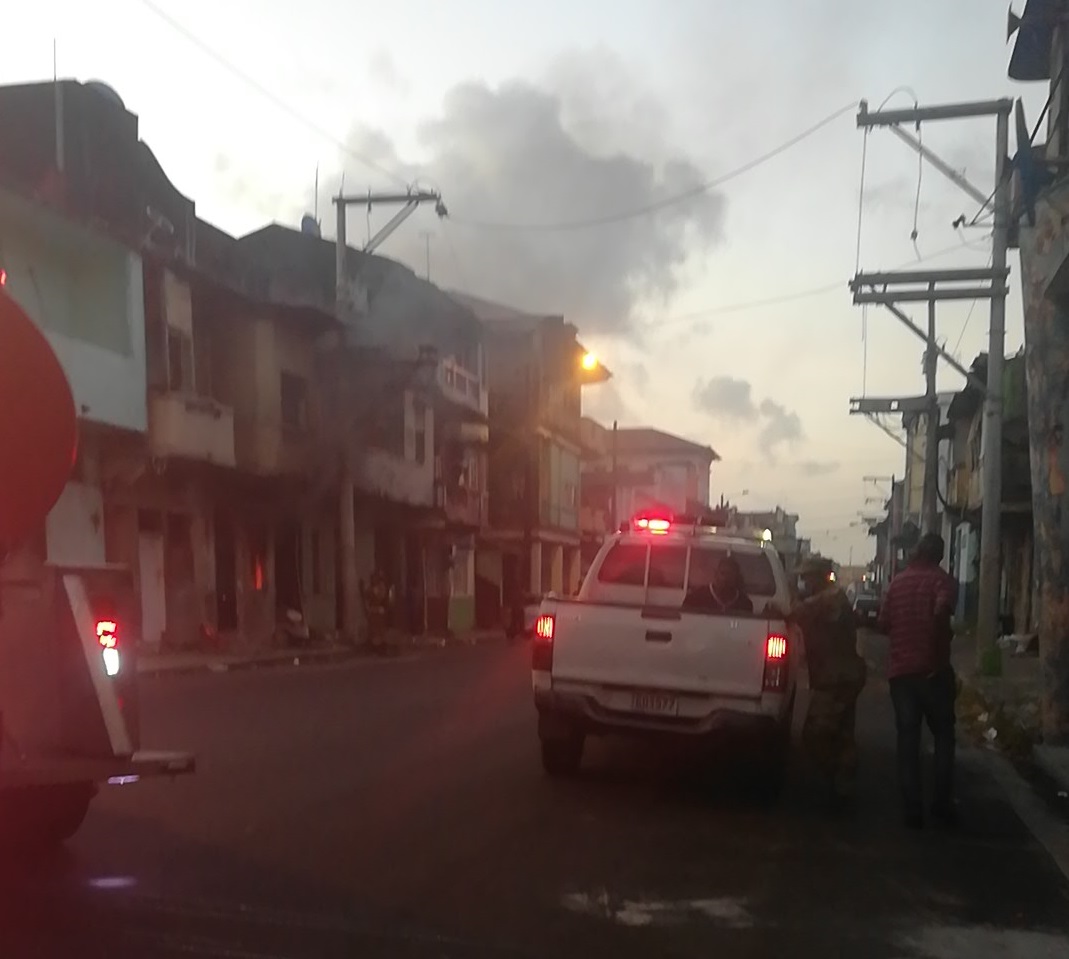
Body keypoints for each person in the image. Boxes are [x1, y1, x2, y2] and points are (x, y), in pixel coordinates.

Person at [878, 533, 959, 829]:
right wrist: (937, 654)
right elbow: (941, 613)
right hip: (933, 671)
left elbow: (883, 622)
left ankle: (912, 808)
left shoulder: (897, 582)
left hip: (901, 673)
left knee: (908, 740)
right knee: (944, 737)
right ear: (938, 556)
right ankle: (941, 804)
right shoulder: (943, 581)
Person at [788, 556, 868, 806]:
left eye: (807, 577)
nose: (804, 582)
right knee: (842, 734)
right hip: (841, 675)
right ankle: (842, 787)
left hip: (836, 678)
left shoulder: (829, 599)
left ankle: (839, 779)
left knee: (816, 733)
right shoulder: (832, 597)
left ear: (820, 576)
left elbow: (794, 613)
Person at [683, 553, 753, 614]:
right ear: (716, 574)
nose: (725, 578)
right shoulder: (695, 597)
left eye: (730, 574)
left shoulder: (745, 604)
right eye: (723, 573)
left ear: (736, 577)